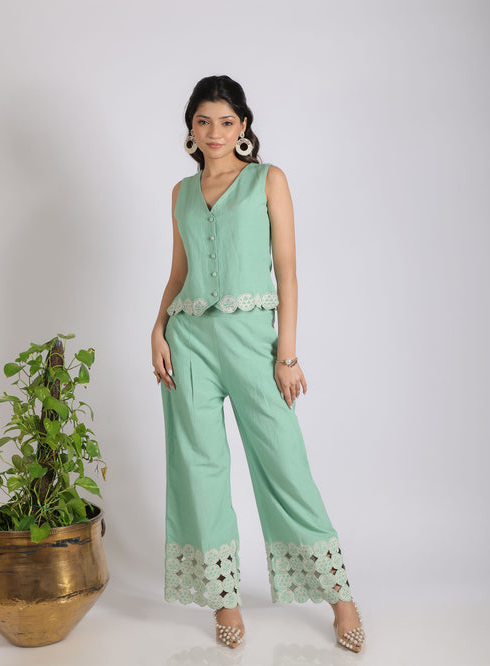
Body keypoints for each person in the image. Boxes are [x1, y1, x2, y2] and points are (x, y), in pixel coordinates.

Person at [151, 75, 366, 653]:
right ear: (191, 128)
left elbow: (287, 273)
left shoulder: (268, 180)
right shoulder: (181, 192)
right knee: (198, 469)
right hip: (188, 343)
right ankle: (224, 599)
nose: (214, 132)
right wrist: (157, 330)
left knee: (284, 463)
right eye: (203, 121)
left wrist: (286, 355)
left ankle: (340, 597)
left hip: (253, 341)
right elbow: (178, 275)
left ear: (243, 126)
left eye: (226, 121)